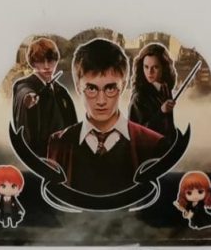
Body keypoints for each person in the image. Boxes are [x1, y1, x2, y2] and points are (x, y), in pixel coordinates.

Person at [46, 37, 164, 196]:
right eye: (91, 89)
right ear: (78, 87)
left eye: (110, 88)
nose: (101, 101)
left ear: (123, 86)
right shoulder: (59, 144)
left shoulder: (153, 144)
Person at [11, 36, 77, 158]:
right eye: (41, 61)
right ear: (33, 63)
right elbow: (23, 92)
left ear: (56, 61)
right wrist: (28, 98)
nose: (47, 66)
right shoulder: (24, 84)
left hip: (62, 155)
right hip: (39, 155)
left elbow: (72, 124)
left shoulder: (61, 91)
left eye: (50, 61)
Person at [128, 41, 177, 140]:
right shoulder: (139, 97)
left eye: (155, 67)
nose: (149, 72)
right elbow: (139, 132)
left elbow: (169, 125)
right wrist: (161, 112)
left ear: (164, 68)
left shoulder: (165, 89)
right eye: (146, 67)